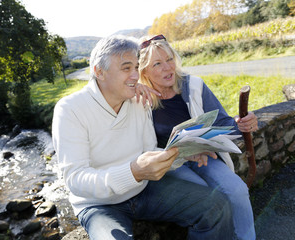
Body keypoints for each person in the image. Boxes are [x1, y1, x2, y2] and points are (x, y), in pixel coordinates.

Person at [52, 35, 235, 240]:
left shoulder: (139, 100)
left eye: (136, 67)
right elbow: (75, 179)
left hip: (145, 189)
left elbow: (149, 150)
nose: (135, 76)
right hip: (98, 205)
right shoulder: (70, 109)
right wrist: (133, 173)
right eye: (126, 68)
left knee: (216, 206)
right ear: (99, 72)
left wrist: (182, 154)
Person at [137, 34, 258, 240]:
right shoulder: (139, 99)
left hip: (203, 156)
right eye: (157, 64)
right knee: (206, 196)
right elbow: (138, 147)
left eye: (169, 59)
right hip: (171, 163)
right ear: (144, 70)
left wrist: (243, 124)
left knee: (237, 189)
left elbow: (223, 122)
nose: (168, 68)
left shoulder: (194, 85)